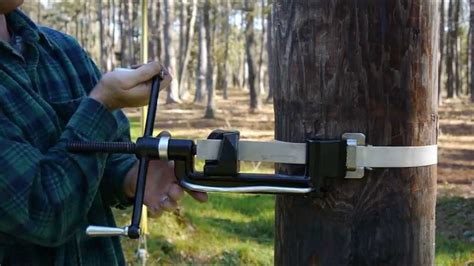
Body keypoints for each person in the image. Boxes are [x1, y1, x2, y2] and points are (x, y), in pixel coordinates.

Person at [0, 1, 207, 264]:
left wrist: (132, 175)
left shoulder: (62, 50)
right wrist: (101, 104)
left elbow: (108, 157)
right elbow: (43, 209)